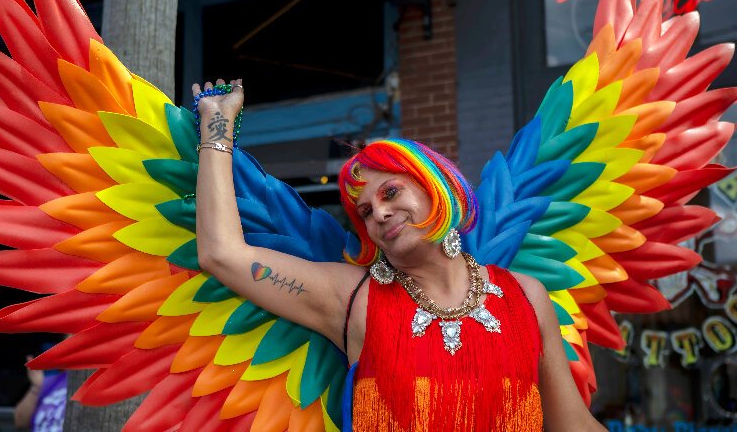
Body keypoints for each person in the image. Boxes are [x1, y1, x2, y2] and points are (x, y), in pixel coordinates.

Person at [193, 79, 606, 431]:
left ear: (434, 185)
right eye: (365, 212)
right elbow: (222, 254)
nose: (380, 213)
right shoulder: (353, 298)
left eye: (391, 192)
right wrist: (217, 126)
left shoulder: (527, 296)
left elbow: (573, 424)